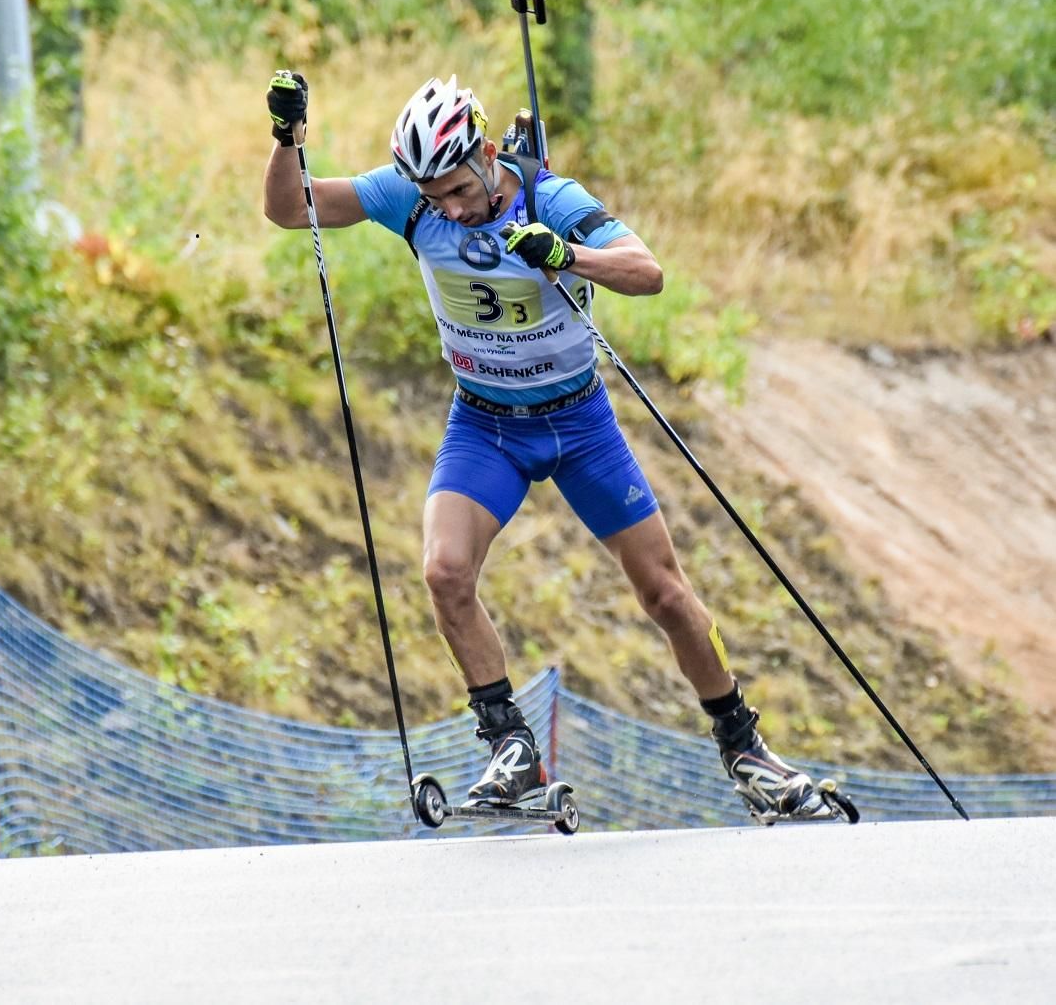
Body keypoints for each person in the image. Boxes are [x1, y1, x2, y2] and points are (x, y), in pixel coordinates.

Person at [262, 70, 837, 819]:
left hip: (578, 424)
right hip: (486, 425)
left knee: (664, 593)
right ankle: (512, 749)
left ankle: (744, 747)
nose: (451, 209)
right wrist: (287, 137)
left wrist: (566, 256)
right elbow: (290, 209)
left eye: (459, 190)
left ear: (487, 154)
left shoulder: (550, 199)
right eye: (434, 197)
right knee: (444, 572)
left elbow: (648, 272)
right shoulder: (410, 198)